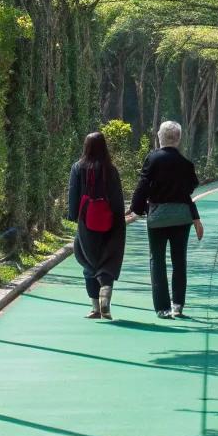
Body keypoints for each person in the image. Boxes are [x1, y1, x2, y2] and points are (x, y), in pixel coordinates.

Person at [127, 120, 204, 319]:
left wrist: (135, 209)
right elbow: (190, 188)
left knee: (157, 260)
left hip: (158, 217)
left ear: (160, 137)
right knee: (179, 260)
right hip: (181, 218)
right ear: (178, 139)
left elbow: (143, 185)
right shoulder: (186, 164)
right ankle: (178, 305)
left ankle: (162, 308)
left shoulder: (152, 159)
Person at [67, 131, 127, 319]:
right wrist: (118, 219)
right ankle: (106, 289)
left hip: (87, 222)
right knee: (107, 257)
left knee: (87, 259)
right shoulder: (111, 169)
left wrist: (74, 216)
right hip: (110, 221)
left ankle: (95, 307)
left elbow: (73, 194)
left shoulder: (78, 168)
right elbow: (117, 197)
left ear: (86, 147)